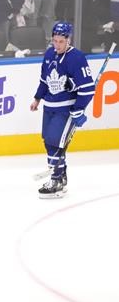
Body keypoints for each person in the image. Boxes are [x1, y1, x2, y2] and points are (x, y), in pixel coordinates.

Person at [29, 22, 95, 199]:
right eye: (55, 41)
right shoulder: (49, 54)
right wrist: (37, 98)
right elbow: (44, 80)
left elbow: (88, 88)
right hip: (49, 107)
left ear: (68, 40)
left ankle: (56, 180)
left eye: (61, 42)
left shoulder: (77, 57)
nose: (57, 45)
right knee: (48, 141)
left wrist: (78, 109)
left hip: (66, 109)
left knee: (55, 141)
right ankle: (61, 175)